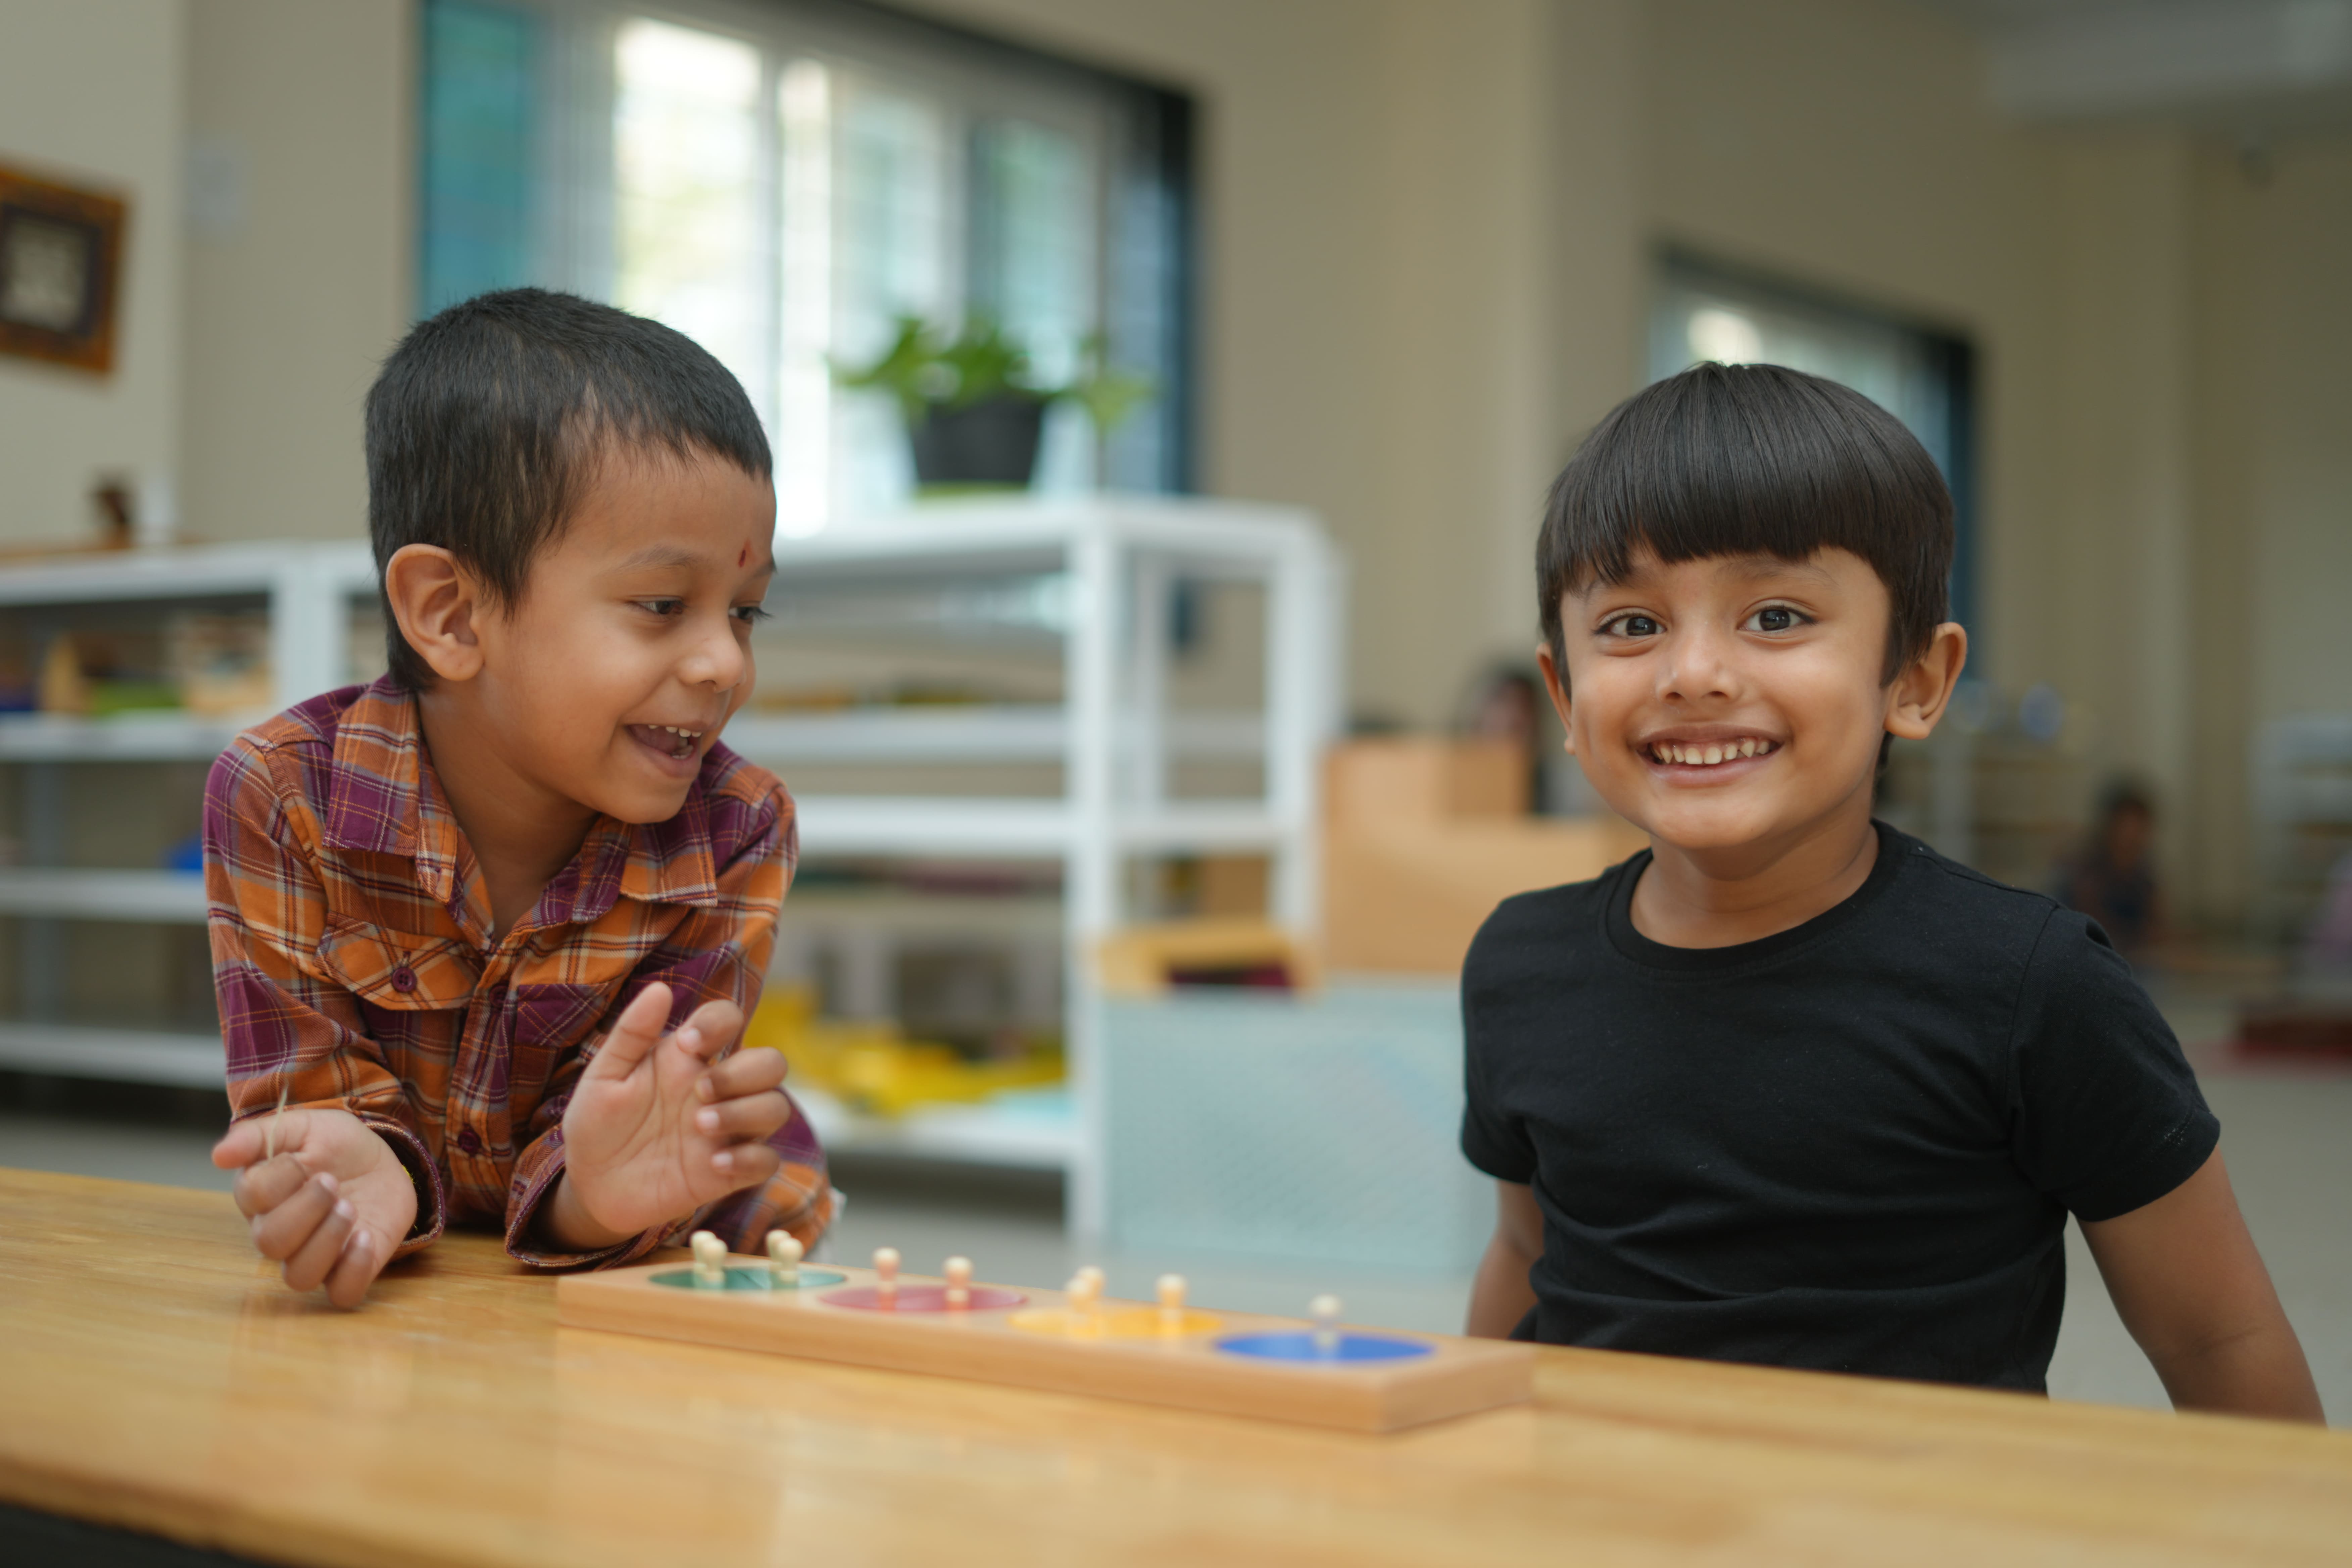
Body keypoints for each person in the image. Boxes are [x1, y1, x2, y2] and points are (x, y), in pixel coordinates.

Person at [1462, 363, 2320, 1421]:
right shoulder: (1518, 963)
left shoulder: (2029, 987)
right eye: (1630, 626)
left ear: (1913, 680)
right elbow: (1523, 1248)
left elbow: (2217, 1337)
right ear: (1561, 690)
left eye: (1773, 615)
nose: (1691, 672)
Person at [206, 289, 830, 1308]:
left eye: (745, 612)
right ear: (451, 615)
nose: (724, 662)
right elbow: (310, 1104)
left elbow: (629, 1164)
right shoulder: (282, 794)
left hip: (678, 1236)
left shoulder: (737, 827)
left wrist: (600, 1199)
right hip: (422, 1253)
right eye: (663, 606)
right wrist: (364, 1179)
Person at [2058, 780, 2166, 957]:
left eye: (2141, 828)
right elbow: (2092, 928)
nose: (2134, 837)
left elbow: (2158, 924)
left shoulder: (2143, 875)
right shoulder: (2087, 871)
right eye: (2128, 827)